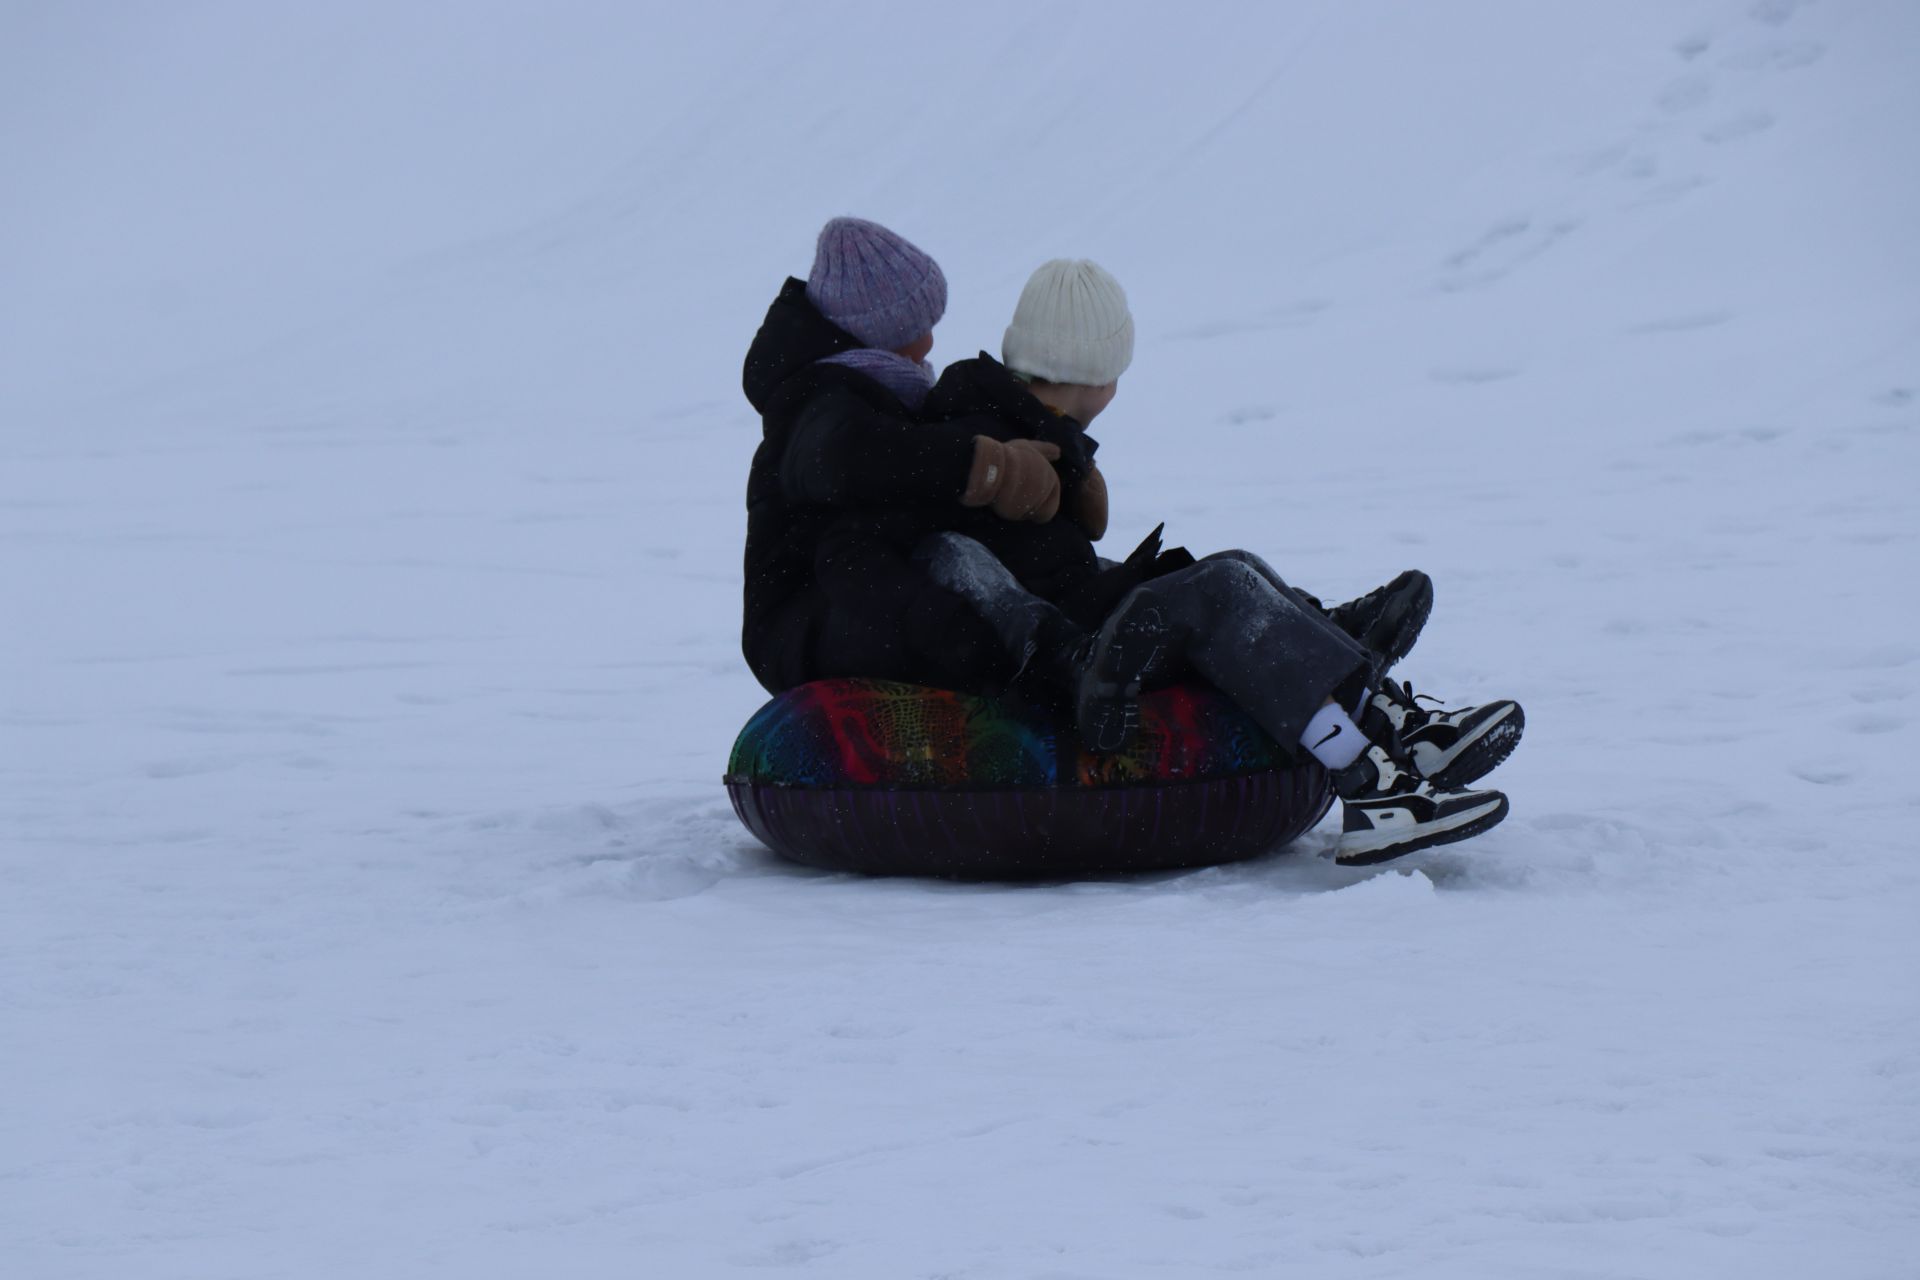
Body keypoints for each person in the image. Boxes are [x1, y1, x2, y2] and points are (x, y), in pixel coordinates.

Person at [905, 259, 1526, 865]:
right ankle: (1370, 786)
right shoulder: (991, 441)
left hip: (1078, 627)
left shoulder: (1005, 420)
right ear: (1102, 373)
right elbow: (1011, 585)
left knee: (1234, 566)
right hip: (1074, 659)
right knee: (1222, 587)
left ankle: (1394, 721)